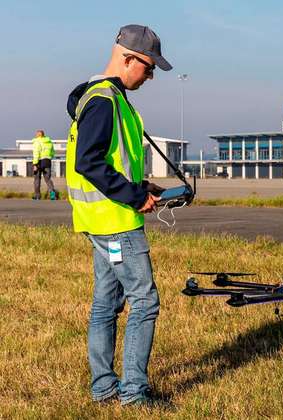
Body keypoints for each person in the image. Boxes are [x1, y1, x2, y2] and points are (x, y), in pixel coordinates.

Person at [65, 24, 172, 405]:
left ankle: (104, 388)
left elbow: (110, 160)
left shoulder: (106, 98)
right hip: (117, 223)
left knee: (106, 304)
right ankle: (134, 393)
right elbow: (89, 162)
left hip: (102, 223)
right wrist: (132, 196)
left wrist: (141, 186)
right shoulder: (104, 101)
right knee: (144, 301)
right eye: (148, 67)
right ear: (128, 58)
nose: (150, 75)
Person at [32, 129, 57, 199]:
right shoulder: (49, 142)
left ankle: (37, 196)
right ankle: (52, 195)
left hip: (39, 162)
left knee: (37, 179)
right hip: (47, 161)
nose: (35, 135)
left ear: (38, 135)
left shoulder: (37, 141)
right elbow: (53, 153)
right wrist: (48, 158)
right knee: (48, 179)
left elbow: (36, 153)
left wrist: (35, 164)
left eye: (36, 134)